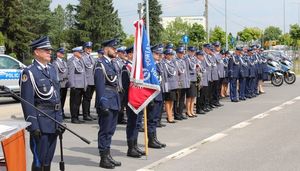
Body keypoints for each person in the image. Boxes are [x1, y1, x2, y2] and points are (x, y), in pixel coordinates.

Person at [20, 36, 63, 171]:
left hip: (53, 119)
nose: (49, 52)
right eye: (46, 50)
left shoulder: (51, 69)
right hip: (41, 122)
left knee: (48, 159)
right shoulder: (29, 72)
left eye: (50, 50)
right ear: (37, 52)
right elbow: (27, 101)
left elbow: (57, 97)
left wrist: (60, 119)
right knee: (39, 159)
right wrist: (33, 125)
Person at [94, 39, 121, 169]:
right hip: (106, 101)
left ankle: (108, 154)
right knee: (104, 130)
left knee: (110, 130)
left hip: (114, 100)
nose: (115, 50)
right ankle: (103, 158)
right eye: (113, 48)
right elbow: (99, 86)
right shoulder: (100, 64)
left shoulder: (112, 63)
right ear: (105, 49)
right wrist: (102, 102)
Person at [67, 46, 86, 124]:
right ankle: (74, 118)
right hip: (75, 85)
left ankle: (77, 116)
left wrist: (85, 84)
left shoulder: (80, 61)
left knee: (78, 102)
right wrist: (72, 85)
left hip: (81, 85)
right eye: (79, 52)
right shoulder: (71, 61)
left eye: (81, 52)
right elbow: (70, 74)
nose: (81, 54)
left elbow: (83, 73)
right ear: (75, 53)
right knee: (74, 102)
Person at [161, 48, 179, 123]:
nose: (171, 56)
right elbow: (165, 76)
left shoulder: (172, 62)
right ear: (166, 55)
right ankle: (169, 116)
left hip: (174, 84)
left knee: (172, 100)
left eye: (172, 54)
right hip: (168, 84)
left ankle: (170, 114)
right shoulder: (164, 63)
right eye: (169, 54)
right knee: (168, 101)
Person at [52, 47, 70, 119]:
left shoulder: (64, 62)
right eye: (61, 53)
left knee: (63, 99)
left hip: (65, 83)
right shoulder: (55, 63)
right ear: (57, 54)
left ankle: (62, 112)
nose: (63, 54)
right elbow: (56, 74)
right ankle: (59, 113)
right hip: (60, 83)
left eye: (63, 53)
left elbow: (66, 72)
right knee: (59, 100)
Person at [173, 46, 189, 120]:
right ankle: (176, 114)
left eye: (183, 53)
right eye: (180, 53)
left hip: (184, 81)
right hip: (178, 82)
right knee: (177, 99)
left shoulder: (183, 61)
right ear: (177, 53)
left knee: (182, 98)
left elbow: (185, 72)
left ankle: (180, 112)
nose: (182, 54)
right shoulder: (175, 61)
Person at [81, 41, 96, 121]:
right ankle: (85, 115)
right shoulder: (83, 57)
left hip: (92, 81)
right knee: (86, 99)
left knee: (89, 98)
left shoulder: (92, 57)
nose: (89, 50)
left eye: (90, 48)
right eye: (88, 48)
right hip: (87, 81)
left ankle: (88, 113)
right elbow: (83, 71)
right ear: (84, 49)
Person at [114, 46, 128, 125]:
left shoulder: (124, 61)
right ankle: (117, 118)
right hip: (119, 85)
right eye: (122, 53)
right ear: (118, 53)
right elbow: (118, 72)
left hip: (125, 85)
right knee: (119, 103)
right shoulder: (116, 61)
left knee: (123, 103)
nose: (124, 54)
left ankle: (121, 118)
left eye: (124, 53)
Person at [184, 46, 198, 117]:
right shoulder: (186, 59)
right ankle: (188, 111)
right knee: (189, 96)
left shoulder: (194, 59)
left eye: (193, 51)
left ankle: (192, 110)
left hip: (194, 78)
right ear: (188, 51)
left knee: (193, 96)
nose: (192, 53)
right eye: (191, 51)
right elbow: (186, 70)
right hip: (189, 79)